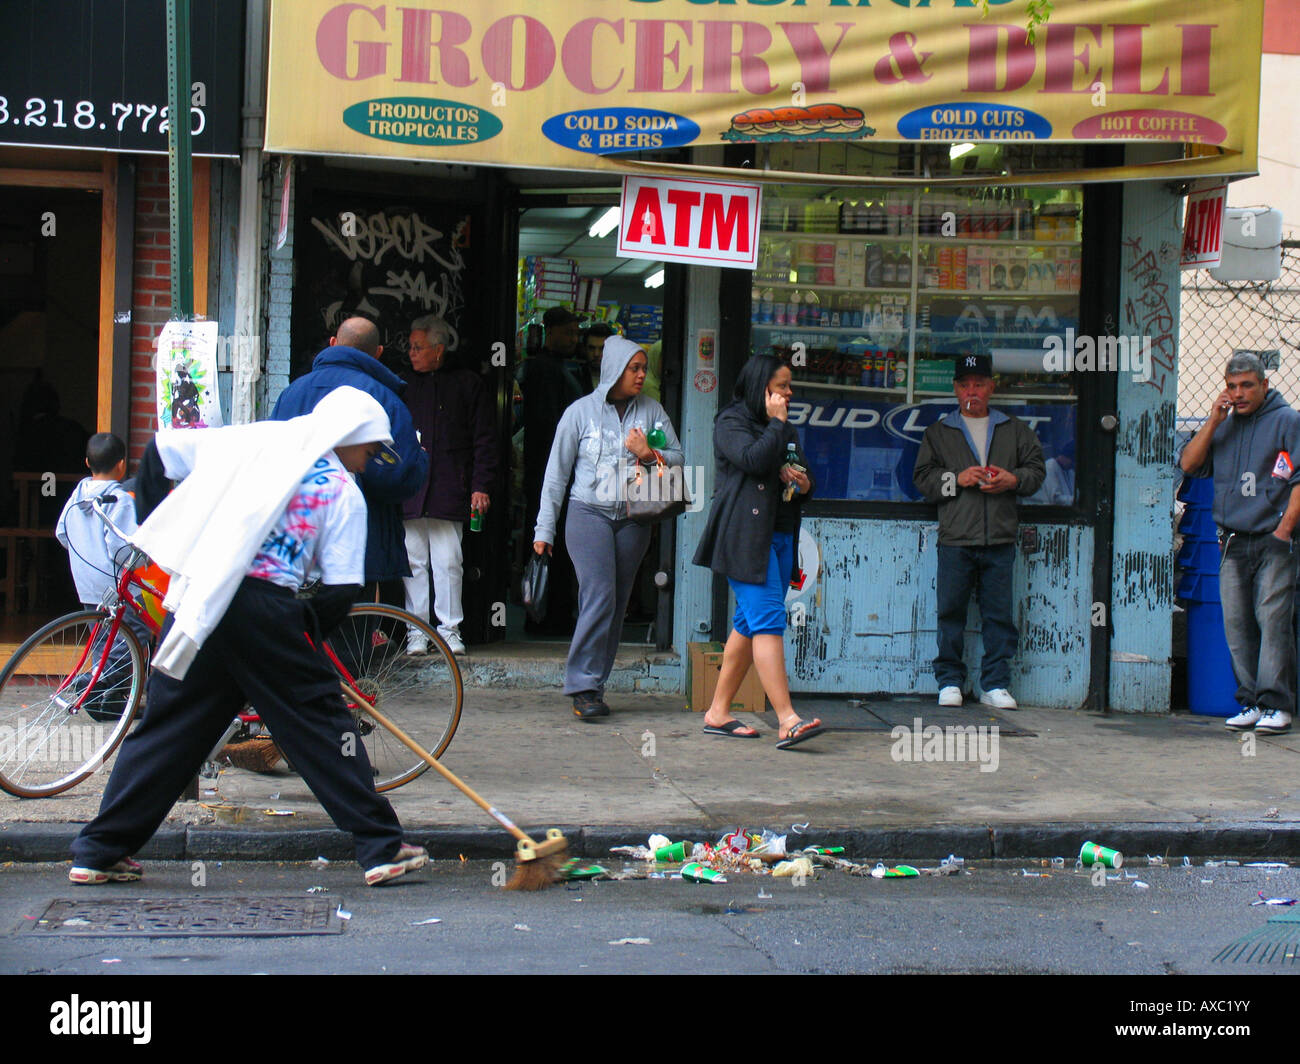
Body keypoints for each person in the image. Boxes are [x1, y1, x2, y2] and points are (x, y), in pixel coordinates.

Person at [68, 387, 428, 887]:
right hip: (265, 609)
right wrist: (303, 638)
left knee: (168, 730)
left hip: (200, 600)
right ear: (352, 437)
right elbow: (342, 590)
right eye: (367, 452)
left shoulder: (253, 438)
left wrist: (155, 529)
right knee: (323, 728)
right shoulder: (342, 492)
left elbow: (160, 452)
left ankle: (99, 849)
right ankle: (381, 847)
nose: (365, 465)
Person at [533, 337, 682, 719]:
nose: (641, 375)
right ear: (614, 368)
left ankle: (594, 687)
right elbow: (556, 475)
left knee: (616, 602)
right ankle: (581, 684)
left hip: (634, 518)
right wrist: (543, 531)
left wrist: (649, 453)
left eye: (643, 368)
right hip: (588, 513)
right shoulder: (579, 413)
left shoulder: (651, 412)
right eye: (634, 368)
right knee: (599, 593)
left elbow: (679, 458)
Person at [691, 354, 822, 749]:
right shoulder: (731, 422)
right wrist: (778, 424)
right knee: (768, 620)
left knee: (747, 625)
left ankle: (717, 712)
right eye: (782, 386)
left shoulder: (785, 428)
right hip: (744, 537)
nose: (788, 393)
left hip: (781, 535)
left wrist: (800, 482)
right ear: (761, 387)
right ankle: (787, 719)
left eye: (788, 386)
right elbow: (751, 459)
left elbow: (806, 477)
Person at [912, 354, 1046, 710]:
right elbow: (922, 479)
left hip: (999, 538)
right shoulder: (939, 432)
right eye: (965, 384)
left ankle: (995, 684)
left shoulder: (1014, 430)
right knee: (950, 613)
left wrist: (1013, 480)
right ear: (956, 389)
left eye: (979, 384)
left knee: (999, 615)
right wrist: (956, 479)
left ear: (991, 387)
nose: (972, 391)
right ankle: (950, 681)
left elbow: (1036, 471)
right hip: (956, 538)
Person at [1180, 351, 1300, 734]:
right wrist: (1214, 420)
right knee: (1237, 624)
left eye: (1247, 385)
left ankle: (1276, 705)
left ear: (1264, 385)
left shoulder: (1287, 421)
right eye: (1232, 386)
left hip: (1273, 537)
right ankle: (1250, 700)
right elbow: (1189, 464)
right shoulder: (1226, 426)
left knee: (1273, 619)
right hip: (1231, 539)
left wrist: (1283, 534)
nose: (1239, 393)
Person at [270, 316, 428, 589]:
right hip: (363, 543)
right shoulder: (384, 397)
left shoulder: (291, 393)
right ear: (378, 353)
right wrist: (420, 459)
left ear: (333, 343)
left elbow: (274, 459)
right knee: (352, 627)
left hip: (294, 538)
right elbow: (398, 476)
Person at [400, 314, 497, 656]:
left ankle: (449, 630)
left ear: (438, 350)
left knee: (448, 560)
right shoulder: (404, 385)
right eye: (410, 346)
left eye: (418, 347)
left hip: (449, 487)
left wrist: (480, 485)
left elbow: (484, 440)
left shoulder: (467, 384)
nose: (411, 352)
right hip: (412, 488)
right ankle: (416, 633)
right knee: (412, 562)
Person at [54, 433, 150, 719]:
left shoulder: (77, 494)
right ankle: (98, 681)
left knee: (102, 639)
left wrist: (84, 552)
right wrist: (147, 557)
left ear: (87, 462)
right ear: (122, 465)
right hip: (115, 584)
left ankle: (104, 697)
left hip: (87, 585)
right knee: (136, 634)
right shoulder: (119, 499)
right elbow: (122, 547)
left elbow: (62, 532)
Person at [518, 306, 589, 634]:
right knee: (544, 538)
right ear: (550, 331)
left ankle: (558, 614)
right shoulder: (538, 369)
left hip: (573, 467)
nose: (573, 338)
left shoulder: (577, 367)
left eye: (576, 333)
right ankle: (542, 615)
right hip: (543, 466)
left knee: (567, 543)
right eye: (567, 332)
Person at [580, 322, 616, 389]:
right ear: (584, 349)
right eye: (591, 348)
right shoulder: (575, 380)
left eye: (602, 348)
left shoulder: (623, 380)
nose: (596, 354)